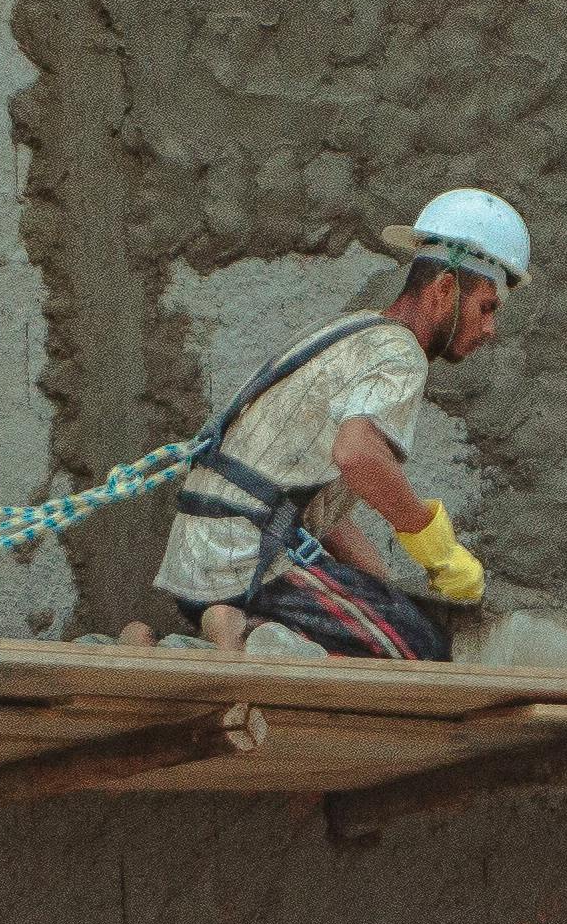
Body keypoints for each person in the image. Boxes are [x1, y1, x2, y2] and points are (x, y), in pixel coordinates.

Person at [152, 187, 524, 661]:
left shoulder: (353, 333)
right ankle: (253, 634)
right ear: (444, 290)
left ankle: (191, 640)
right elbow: (359, 455)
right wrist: (440, 552)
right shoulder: (400, 354)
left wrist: (379, 586)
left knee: (386, 620)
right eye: (486, 307)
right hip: (251, 563)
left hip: (202, 559)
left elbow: (310, 498)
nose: (490, 329)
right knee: (424, 652)